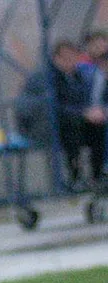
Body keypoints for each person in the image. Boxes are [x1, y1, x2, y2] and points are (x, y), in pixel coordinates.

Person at [16, 40, 104, 188]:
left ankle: (97, 174)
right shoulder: (45, 77)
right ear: (56, 58)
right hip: (43, 126)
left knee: (98, 125)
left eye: (73, 57)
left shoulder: (77, 76)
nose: (71, 61)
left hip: (69, 123)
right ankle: (75, 176)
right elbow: (49, 107)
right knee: (73, 124)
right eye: (66, 57)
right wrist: (83, 113)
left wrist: (92, 112)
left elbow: (81, 102)